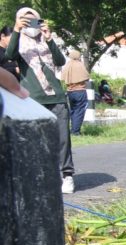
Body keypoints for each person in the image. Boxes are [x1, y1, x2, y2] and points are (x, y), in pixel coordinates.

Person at [5, 7, 74, 193]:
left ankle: (67, 175)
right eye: (25, 20)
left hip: (56, 96)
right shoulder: (18, 41)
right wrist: (18, 30)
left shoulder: (46, 40)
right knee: (35, 139)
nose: (30, 24)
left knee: (62, 138)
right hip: (34, 99)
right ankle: (41, 176)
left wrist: (49, 38)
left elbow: (60, 61)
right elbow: (9, 56)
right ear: (18, 21)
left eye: (33, 20)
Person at [60, 49, 88, 135]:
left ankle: (72, 130)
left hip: (70, 92)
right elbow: (86, 77)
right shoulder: (80, 65)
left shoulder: (67, 65)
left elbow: (62, 77)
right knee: (79, 111)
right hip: (80, 91)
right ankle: (75, 131)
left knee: (73, 110)